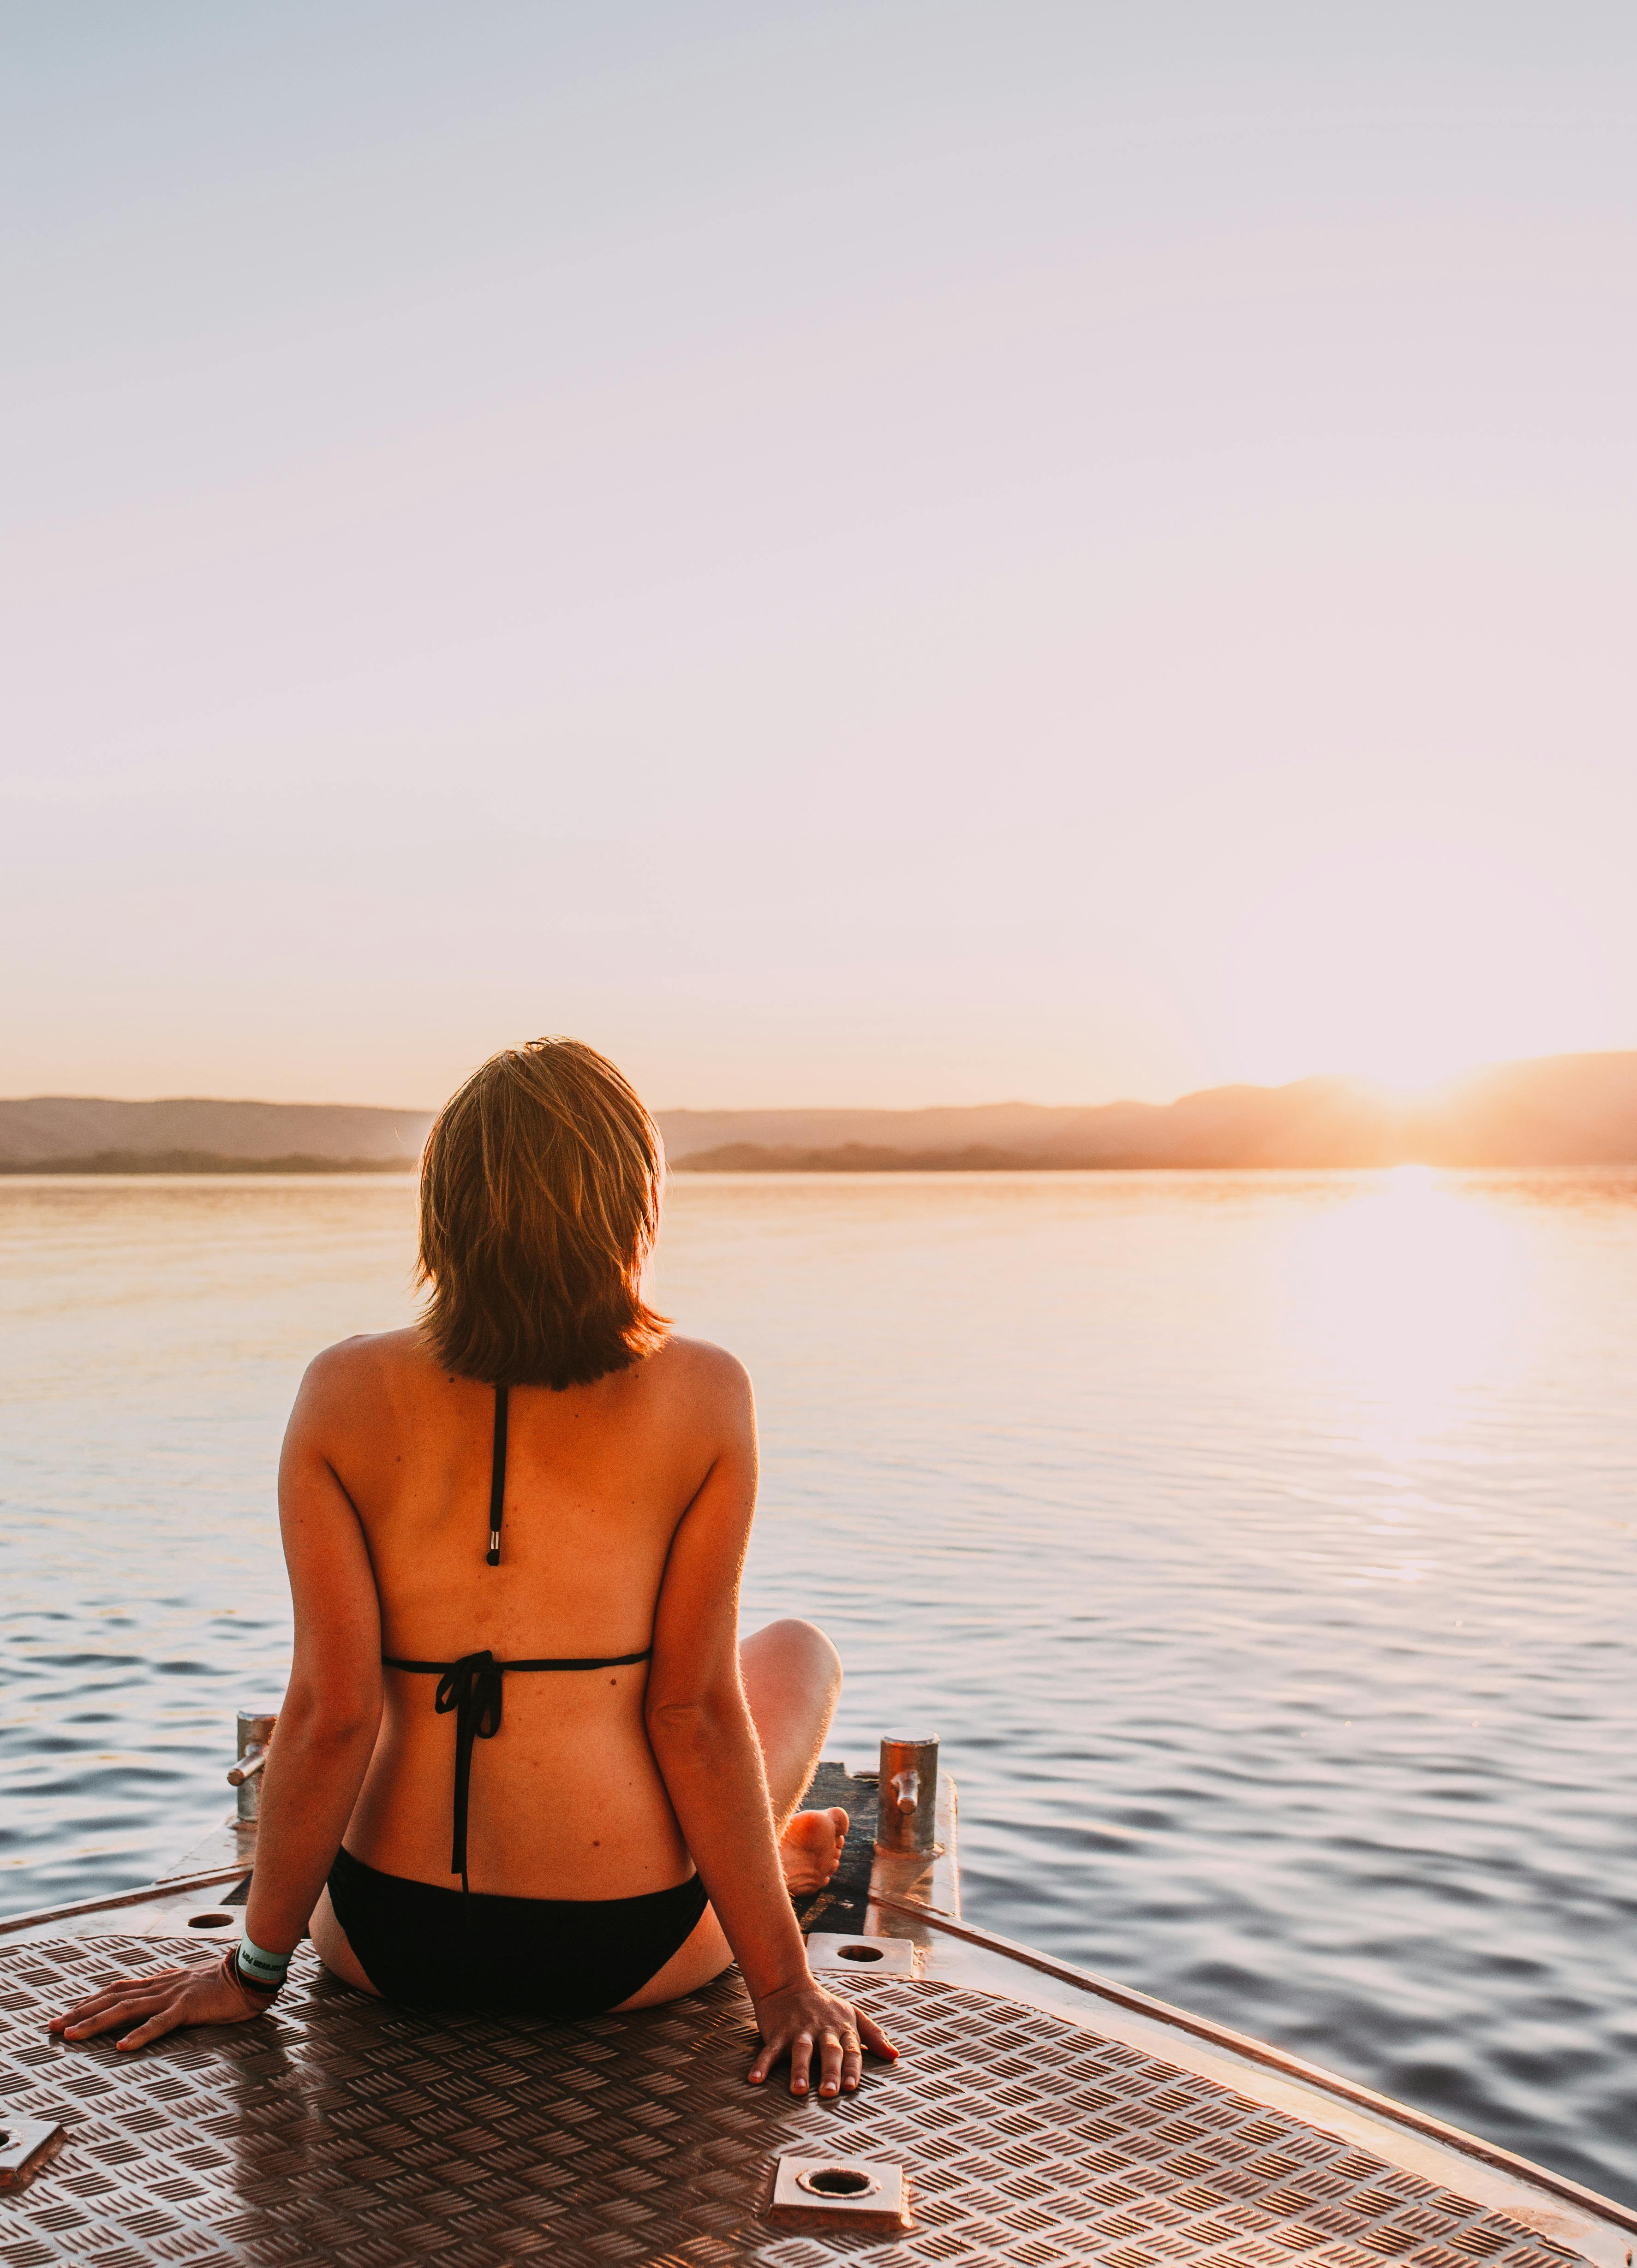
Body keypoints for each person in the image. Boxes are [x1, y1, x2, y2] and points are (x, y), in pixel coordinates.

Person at [50, 1037, 895, 2101]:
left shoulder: (342, 1390)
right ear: (632, 1205)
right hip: (620, 1953)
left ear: (442, 1205)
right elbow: (691, 1713)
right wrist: (783, 1984)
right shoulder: (705, 1391)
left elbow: (330, 1713)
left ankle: (781, 1849)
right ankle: (783, 1854)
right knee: (791, 1651)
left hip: (380, 1945)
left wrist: (250, 1971)